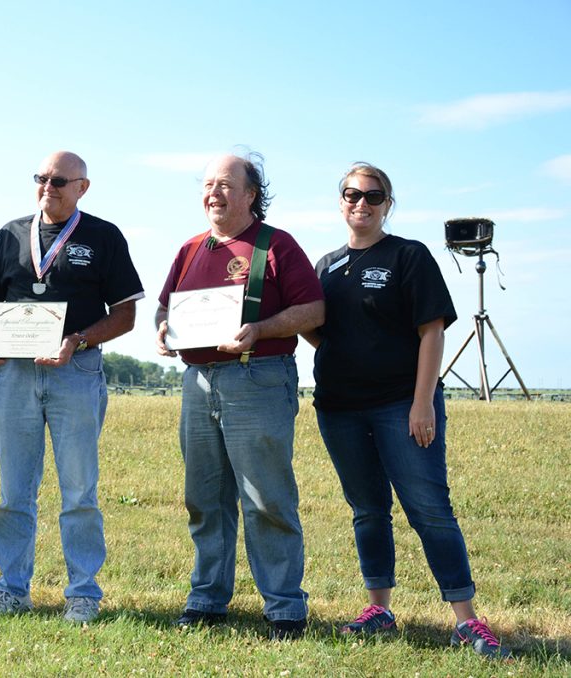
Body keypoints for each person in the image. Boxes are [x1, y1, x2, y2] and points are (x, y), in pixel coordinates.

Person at [301, 162, 511, 659]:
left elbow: (432, 330)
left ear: (388, 205)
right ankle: (380, 609)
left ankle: (466, 621)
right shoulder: (325, 265)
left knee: (429, 509)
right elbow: (315, 326)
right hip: (340, 409)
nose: (362, 204)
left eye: (374, 197)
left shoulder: (408, 255)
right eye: (352, 195)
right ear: (340, 201)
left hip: (401, 405)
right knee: (367, 510)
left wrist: (422, 404)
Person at [155, 153, 324, 638]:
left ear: (251, 194)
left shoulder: (276, 245)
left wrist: (262, 329)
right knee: (204, 498)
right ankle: (207, 599)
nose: (215, 193)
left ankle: (285, 608)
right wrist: (165, 328)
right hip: (199, 382)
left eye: (226, 184)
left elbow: (312, 309)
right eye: (208, 184)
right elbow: (165, 308)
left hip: (258, 378)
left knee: (266, 498)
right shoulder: (190, 249)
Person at [0, 151, 144, 624]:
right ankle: (10, 589)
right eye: (42, 178)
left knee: (79, 490)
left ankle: (83, 594)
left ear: (83, 187)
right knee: (13, 491)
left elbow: (126, 314)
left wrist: (78, 340)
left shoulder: (104, 236)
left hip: (76, 371)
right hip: (15, 376)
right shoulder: (10, 233)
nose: (49, 186)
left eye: (60, 180)